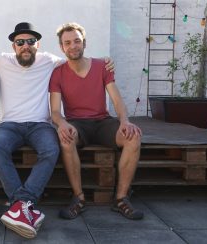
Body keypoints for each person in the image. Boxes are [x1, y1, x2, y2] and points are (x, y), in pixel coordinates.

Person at [0, 22, 114, 238]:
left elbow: (76, 59)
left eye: (30, 41)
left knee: (51, 149)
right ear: (13, 46)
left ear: (38, 44)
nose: (25, 46)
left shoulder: (50, 61)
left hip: (40, 124)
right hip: (9, 125)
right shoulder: (0, 61)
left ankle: (20, 203)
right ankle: (24, 204)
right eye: (20, 42)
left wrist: (103, 61)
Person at [49, 22, 143, 220]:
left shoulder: (102, 66)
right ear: (61, 47)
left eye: (77, 41)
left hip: (102, 122)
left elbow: (116, 99)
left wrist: (125, 121)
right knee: (65, 138)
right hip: (77, 124)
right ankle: (79, 198)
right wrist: (63, 123)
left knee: (133, 136)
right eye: (67, 43)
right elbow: (55, 111)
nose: (73, 46)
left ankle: (121, 199)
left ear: (84, 43)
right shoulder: (57, 73)